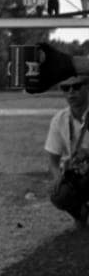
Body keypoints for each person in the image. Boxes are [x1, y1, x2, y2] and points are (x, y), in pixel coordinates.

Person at [44, 73, 88, 225]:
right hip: (77, 174)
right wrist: (57, 177)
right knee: (59, 194)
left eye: (76, 86)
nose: (71, 92)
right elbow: (52, 159)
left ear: (87, 87)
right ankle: (82, 214)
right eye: (65, 88)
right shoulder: (59, 120)